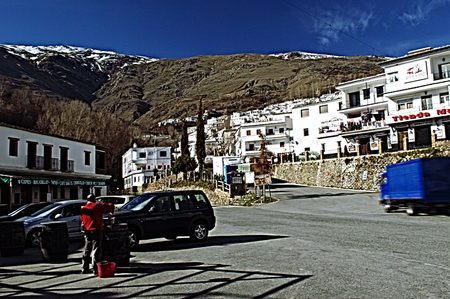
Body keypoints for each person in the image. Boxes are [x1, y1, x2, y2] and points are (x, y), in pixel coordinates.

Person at [80, 193, 115, 275]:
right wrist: (110, 214)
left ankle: (84, 267)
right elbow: (111, 205)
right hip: (97, 229)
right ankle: (95, 268)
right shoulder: (97, 206)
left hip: (87, 230)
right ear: (94, 199)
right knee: (96, 248)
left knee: (87, 249)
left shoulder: (83, 209)